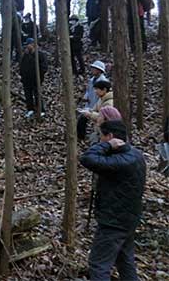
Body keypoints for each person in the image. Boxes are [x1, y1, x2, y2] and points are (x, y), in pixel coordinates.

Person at [80, 120, 146, 281]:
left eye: (101, 136)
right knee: (125, 261)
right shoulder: (136, 155)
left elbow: (87, 158)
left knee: (98, 264)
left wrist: (107, 146)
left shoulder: (121, 161)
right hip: (128, 220)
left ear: (110, 136)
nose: (99, 140)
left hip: (114, 222)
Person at [77, 61, 108, 140]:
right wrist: (85, 97)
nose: (92, 70)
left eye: (94, 69)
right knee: (82, 119)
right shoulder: (91, 80)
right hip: (90, 104)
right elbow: (88, 91)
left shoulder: (103, 81)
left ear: (99, 70)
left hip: (98, 106)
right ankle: (81, 137)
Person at [19, 38, 48, 118]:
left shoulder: (40, 54)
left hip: (36, 79)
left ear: (33, 44)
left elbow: (44, 67)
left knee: (37, 94)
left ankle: (41, 110)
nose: (27, 47)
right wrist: (22, 75)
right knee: (28, 95)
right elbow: (22, 66)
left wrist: (39, 76)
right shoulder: (25, 55)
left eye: (29, 44)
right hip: (26, 80)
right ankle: (30, 109)